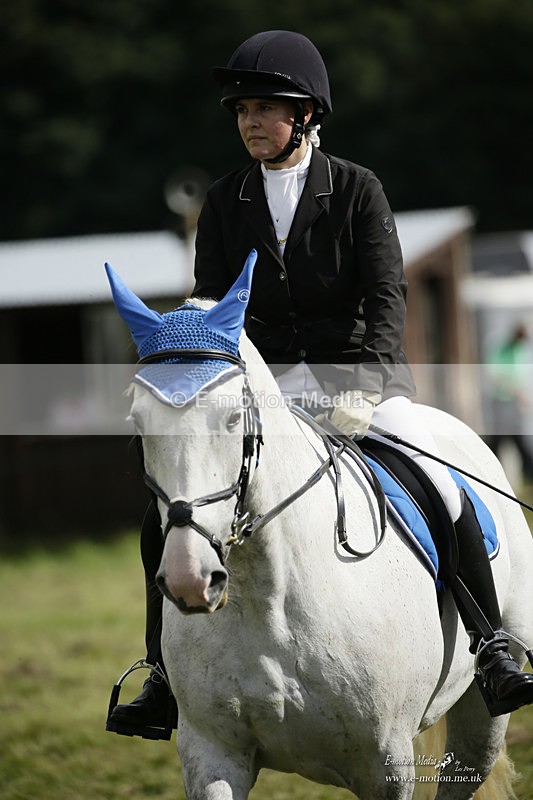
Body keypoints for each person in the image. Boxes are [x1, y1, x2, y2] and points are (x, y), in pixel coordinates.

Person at [107, 30, 533, 737]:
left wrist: (364, 383)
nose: (249, 121)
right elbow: (212, 306)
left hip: (357, 381)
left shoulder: (357, 188)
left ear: (306, 115)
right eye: (241, 109)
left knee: (436, 477)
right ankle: (160, 673)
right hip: (264, 390)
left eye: (265, 108)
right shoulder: (222, 200)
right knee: (171, 515)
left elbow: (386, 292)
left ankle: (489, 642)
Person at [485, 323, 533, 481]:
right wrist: (515, 390)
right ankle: (492, 475)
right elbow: (495, 376)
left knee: (518, 440)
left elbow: (520, 376)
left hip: (513, 404)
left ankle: (527, 475)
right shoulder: (502, 349)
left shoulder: (519, 351)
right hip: (501, 402)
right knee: (497, 442)